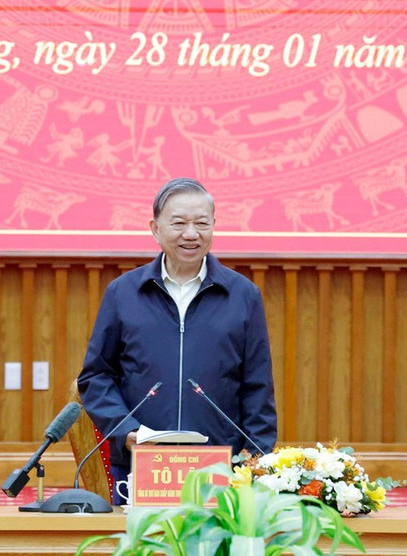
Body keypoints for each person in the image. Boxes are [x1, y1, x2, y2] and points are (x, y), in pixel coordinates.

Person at [77, 177, 277, 504]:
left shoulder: (243, 295)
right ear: (155, 229)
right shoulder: (124, 293)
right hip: (143, 465)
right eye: (179, 223)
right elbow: (96, 376)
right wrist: (127, 431)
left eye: (202, 223)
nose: (191, 233)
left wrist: (254, 462)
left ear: (214, 226)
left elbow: (258, 387)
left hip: (220, 467)